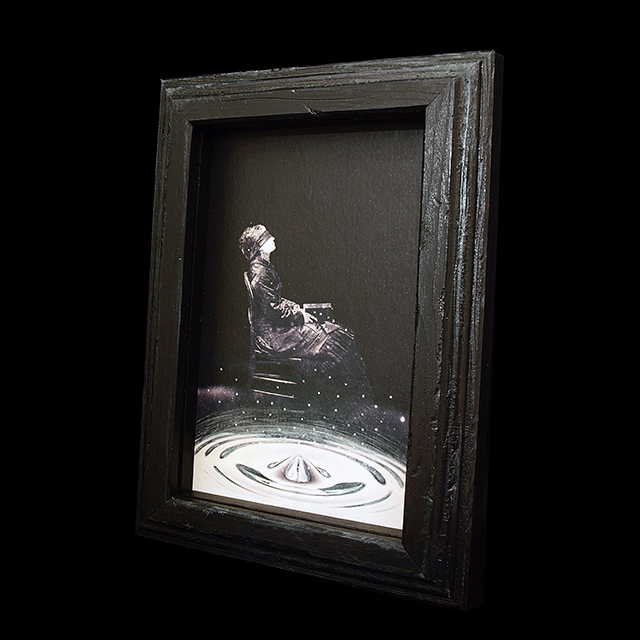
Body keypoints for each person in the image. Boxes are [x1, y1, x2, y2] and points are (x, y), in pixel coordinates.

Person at [239, 224, 372, 400]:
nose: (273, 239)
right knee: (334, 338)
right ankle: (354, 393)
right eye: (268, 237)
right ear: (259, 246)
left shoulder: (263, 267)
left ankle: (352, 391)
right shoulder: (260, 272)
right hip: (274, 336)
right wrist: (299, 316)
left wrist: (298, 310)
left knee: (333, 332)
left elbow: (275, 302)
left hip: (278, 328)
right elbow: (273, 310)